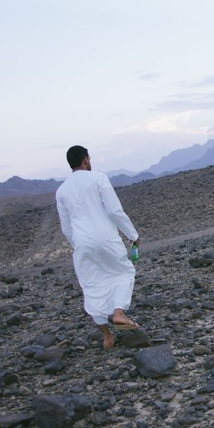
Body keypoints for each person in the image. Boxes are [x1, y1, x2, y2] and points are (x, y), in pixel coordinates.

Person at [56, 145, 140, 349]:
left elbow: (66, 228)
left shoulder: (62, 191)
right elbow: (114, 210)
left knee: (92, 285)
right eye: (89, 158)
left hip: (82, 242)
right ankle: (118, 313)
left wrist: (80, 245)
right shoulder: (99, 178)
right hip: (106, 237)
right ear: (85, 160)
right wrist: (133, 235)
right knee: (124, 272)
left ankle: (107, 337)